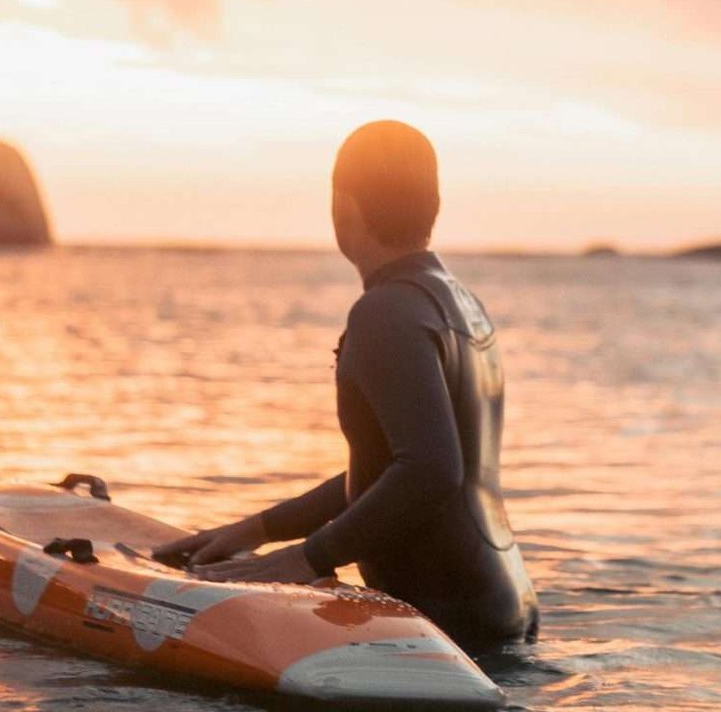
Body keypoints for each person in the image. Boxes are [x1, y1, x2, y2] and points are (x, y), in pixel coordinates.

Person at [153, 120, 538, 651]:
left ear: (344, 205)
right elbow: (394, 467)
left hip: (447, 627)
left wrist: (302, 562)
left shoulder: (385, 311)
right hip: (501, 608)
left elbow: (430, 471)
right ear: (434, 204)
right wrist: (260, 530)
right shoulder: (459, 304)